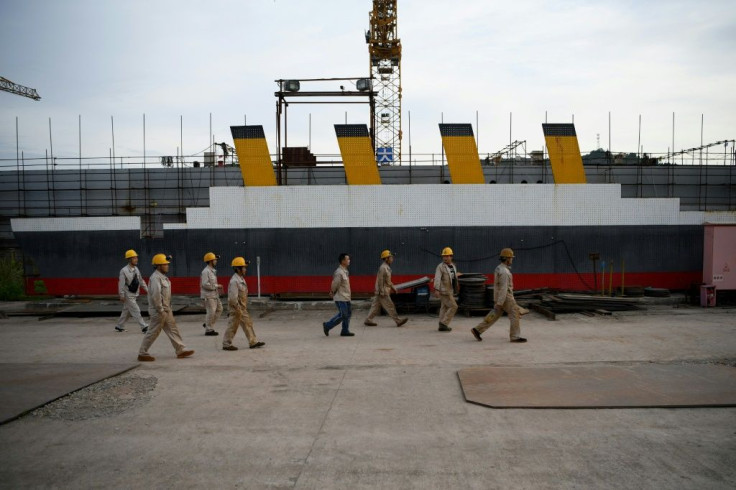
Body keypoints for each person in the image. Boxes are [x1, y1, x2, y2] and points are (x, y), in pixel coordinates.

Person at [138, 254, 194, 361]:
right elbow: (156, 296)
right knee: (153, 331)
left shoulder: (163, 277)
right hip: (159, 311)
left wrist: (167, 309)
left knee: (173, 330)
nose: (167, 266)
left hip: (166, 309)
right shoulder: (155, 278)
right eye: (165, 264)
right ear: (158, 266)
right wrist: (160, 309)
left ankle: (180, 349)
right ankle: (142, 353)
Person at [471, 248, 527, 343]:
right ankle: (515, 336)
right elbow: (504, 288)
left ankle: (477, 329)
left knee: (494, 314)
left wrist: (497, 300)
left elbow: (497, 286)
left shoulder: (498, 268)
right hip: (506, 297)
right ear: (507, 259)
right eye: (511, 258)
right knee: (515, 314)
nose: (512, 260)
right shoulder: (505, 272)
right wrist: (500, 302)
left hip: (500, 297)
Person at [223, 257, 265, 350]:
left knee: (248, 324)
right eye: (244, 267)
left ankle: (253, 342)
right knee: (232, 326)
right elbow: (233, 298)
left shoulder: (241, 279)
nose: (245, 269)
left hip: (242, 308)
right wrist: (238, 309)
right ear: (238, 269)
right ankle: (226, 344)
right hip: (236, 308)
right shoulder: (234, 281)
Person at [364, 250, 408, 327]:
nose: (392, 258)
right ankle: (398, 321)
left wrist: (393, 288)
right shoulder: (383, 268)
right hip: (383, 291)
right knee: (390, 306)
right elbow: (380, 281)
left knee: (375, 306)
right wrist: (381, 292)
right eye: (391, 257)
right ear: (386, 259)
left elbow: (388, 281)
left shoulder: (386, 268)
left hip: (382, 291)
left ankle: (368, 320)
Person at [115, 249, 149, 333]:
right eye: (134, 258)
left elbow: (141, 281)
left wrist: (148, 290)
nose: (136, 259)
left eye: (136, 258)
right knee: (136, 309)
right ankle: (144, 326)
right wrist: (121, 295)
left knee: (126, 311)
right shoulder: (124, 271)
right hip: (127, 294)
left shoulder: (136, 269)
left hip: (134, 293)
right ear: (129, 259)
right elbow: (121, 284)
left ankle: (119, 326)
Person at [323, 253, 354, 337]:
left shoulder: (345, 271)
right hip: (341, 297)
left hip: (346, 297)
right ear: (343, 261)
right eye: (347, 259)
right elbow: (335, 283)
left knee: (348, 314)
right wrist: (332, 292)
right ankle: (327, 325)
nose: (349, 260)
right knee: (343, 314)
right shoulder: (339, 272)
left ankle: (345, 330)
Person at [433, 247, 460, 332]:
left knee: (444, 308)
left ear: (451, 256)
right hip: (444, 291)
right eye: (444, 256)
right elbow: (437, 278)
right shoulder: (440, 267)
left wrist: (457, 285)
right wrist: (436, 289)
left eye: (447, 256)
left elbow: (454, 277)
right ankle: (444, 324)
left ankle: (441, 324)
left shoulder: (453, 266)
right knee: (454, 306)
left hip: (450, 291)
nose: (445, 258)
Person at [200, 252, 223, 336]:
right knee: (211, 312)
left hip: (214, 295)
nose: (216, 261)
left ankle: (207, 323)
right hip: (208, 296)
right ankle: (209, 330)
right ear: (210, 261)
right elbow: (205, 284)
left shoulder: (212, 271)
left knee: (219, 309)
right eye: (215, 260)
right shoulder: (206, 271)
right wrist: (217, 286)